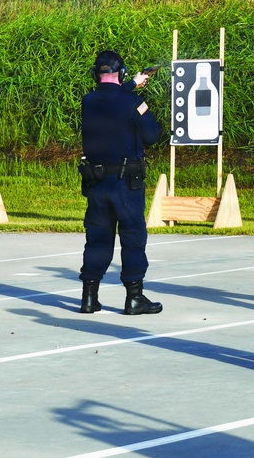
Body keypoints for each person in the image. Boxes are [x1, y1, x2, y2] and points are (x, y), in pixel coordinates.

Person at [78, 50, 162, 315]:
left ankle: (89, 298)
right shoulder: (132, 103)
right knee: (132, 236)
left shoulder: (88, 101)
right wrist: (135, 95)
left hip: (97, 183)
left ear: (95, 74)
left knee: (97, 239)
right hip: (127, 184)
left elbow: (109, 96)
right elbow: (152, 135)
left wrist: (132, 84)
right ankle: (134, 297)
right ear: (122, 73)